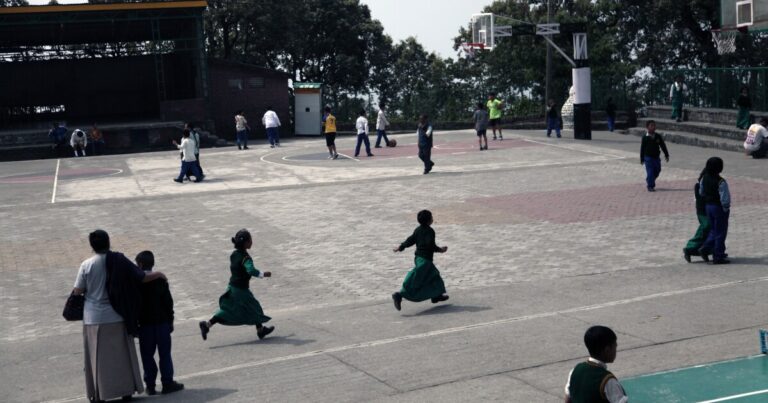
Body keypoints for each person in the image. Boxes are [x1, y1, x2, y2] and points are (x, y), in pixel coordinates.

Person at [72, 229, 167, 402]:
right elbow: (141, 277)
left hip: (93, 318)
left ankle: (99, 394)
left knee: (97, 358)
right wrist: (159, 274)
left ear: (92, 246)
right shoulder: (119, 259)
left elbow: (78, 290)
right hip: (117, 316)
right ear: (108, 242)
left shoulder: (86, 265)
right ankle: (126, 391)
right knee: (123, 357)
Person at [199, 229, 275, 341]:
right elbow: (251, 270)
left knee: (227, 309)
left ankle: (207, 325)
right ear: (245, 243)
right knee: (255, 307)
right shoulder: (246, 258)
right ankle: (260, 331)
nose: (251, 242)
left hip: (232, 287)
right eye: (250, 240)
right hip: (241, 290)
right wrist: (263, 274)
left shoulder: (234, 255)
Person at [135, 251, 184, 396]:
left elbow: (134, 305)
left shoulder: (136, 282)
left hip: (144, 325)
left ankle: (150, 385)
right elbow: (168, 303)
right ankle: (167, 382)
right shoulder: (160, 280)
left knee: (147, 356)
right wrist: (171, 320)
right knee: (165, 354)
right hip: (162, 323)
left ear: (140, 264)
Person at [391, 210, 449, 311]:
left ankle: (436, 296)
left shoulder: (418, 230)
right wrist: (440, 250)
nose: (432, 218)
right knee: (417, 277)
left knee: (434, 276)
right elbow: (430, 246)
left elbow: (411, 240)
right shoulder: (430, 231)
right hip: (425, 260)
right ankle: (399, 295)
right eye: (431, 217)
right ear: (429, 220)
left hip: (419, 258)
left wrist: (401, 247)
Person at [564, 326, 628, 403]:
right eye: (615, 347)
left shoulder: (575, 370)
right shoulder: (608, 380)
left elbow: (568, 399)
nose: (615, 351)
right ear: (607, 350)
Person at [699, 157, 731, 264]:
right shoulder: (721, 181)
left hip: (708, 206)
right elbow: (725, 198)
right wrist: (726, 208)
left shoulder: (704, 178)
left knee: (713, 230)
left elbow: (701, 192)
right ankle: (718, 256)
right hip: (718, 208)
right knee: (721, 232)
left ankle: (706, 247)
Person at [683, 175, 711, 263]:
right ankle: (690, 247)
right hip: (703, 212)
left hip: (708, 210)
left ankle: (706, 249)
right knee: (705, 227)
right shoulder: (699, 186)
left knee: (709, 231)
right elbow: (700, 198)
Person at [639, 120, 669, 192]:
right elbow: (642, 148)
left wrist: (666, 154)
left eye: (654, 125)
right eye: (651, 125)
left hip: (656, 157)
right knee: (650, 172)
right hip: (648, 158)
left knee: (658, 170)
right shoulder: (645, 137)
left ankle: (649, 179)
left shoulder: (658, 136)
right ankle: (650, 186)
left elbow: (663, 146)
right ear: (647, 127)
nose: (653, 127)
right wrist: (642, 158)